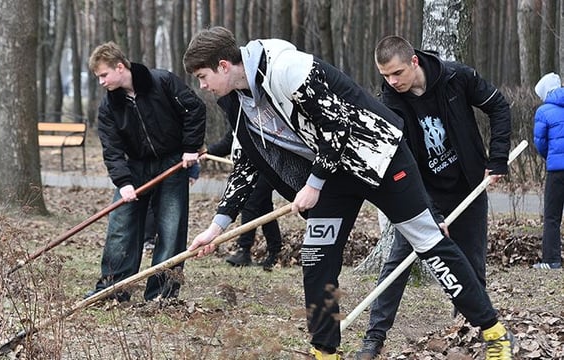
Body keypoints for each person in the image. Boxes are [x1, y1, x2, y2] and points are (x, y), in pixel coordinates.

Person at [182, 26, 514, 359]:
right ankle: (326, 352)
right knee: (316, 259)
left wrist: (312, 186)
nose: (202, 86)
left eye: (203, 76)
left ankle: (494, 332)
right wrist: (216, 228)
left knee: (429, 242)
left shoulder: (287, 67)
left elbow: (336, 126)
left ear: (224, 65)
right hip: (332, 175)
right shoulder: (235, 100)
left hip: (380, 158)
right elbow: (250, 160)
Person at [350, 35, 513, 359]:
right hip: (420, 196)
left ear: (413, 62)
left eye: (397, 73)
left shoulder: (456, 77)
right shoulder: (391, 104)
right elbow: (403, 163)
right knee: (396, 265)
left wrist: (496, 160)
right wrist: (432, 212)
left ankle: (475, 331)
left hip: (468, 187)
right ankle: (374, 338)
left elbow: (499, 106)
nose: (391, 81)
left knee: (471, 265)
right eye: (385, 76)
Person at [86, 41, 206, 302]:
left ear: (120, 67)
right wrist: (123, 182)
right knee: (121, 225)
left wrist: (190, 148)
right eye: (98, 77)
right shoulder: (109, 107)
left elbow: (194, 109)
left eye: (104, 75)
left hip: (172, 163)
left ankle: (161, 294)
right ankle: (113, 289)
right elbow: (112, 147)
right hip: (135, 167)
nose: (102, 82)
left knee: (171, 229)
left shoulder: (162, 81)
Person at [205, 129, 284, 270]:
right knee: (264, 208)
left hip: (269, 167)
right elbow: (227, 143)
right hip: (250, 170)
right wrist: (207, 153)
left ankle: (244, 249)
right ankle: (275, 251)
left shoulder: (258, 120)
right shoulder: (237, 120)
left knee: (250, 202)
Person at [532, 72, 564, 270]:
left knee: (552, 216)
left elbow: (540, 142)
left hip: (556, 171)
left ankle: (551, 260)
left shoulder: (544, 111)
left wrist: (550, 156)